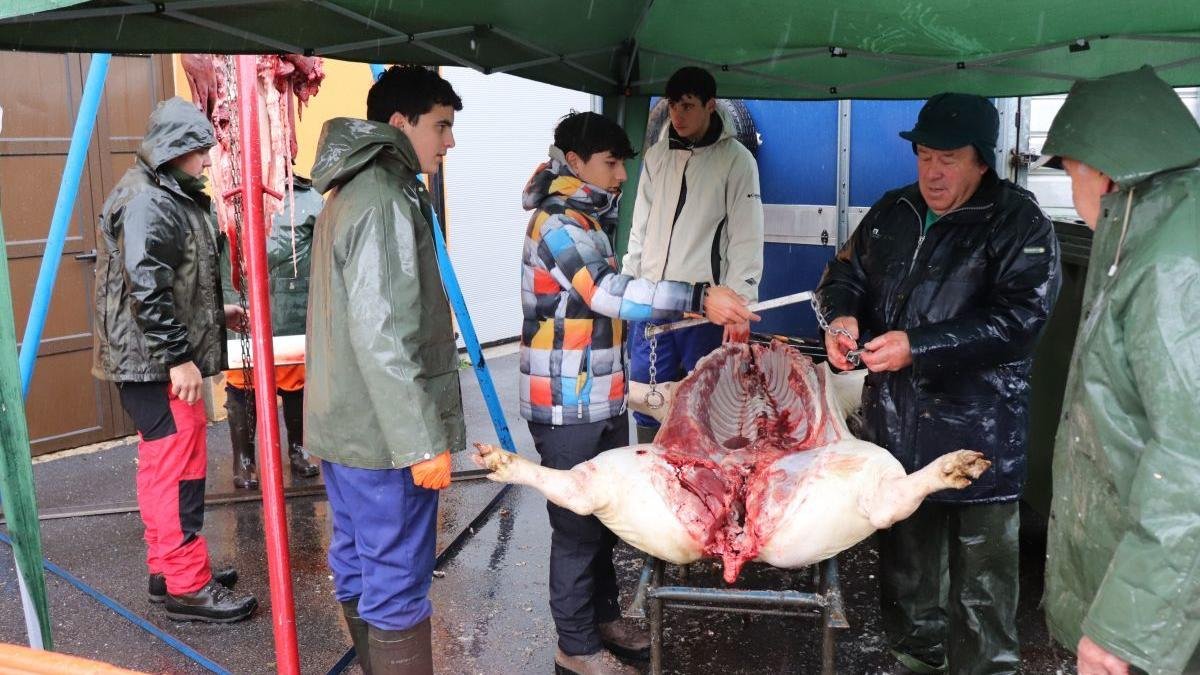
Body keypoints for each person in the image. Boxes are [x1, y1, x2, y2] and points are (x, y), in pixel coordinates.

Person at [815, 93, 1061, 674]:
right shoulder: (892, 211)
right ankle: (914, 662)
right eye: (924, 155)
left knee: (982, 585)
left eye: (948, 158)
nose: (932, 172)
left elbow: (1020, 321)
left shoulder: (1019, 221)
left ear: (982, 159)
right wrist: (843, 316)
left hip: (980, 432)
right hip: (897, 430)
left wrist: (917, 348)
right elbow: (843, 271)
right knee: (907, 573)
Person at [520, 111, 757, 675]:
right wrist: (697, 295)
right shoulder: (559, 223)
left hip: (599, 396)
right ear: (574, 162)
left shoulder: (588, 216)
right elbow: (605, 291)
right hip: (566, 404)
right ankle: (575, 648)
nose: (623, 175)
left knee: (602, 516)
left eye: (624, 162)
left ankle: (601, 620)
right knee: (576, 527)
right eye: (611, 162)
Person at [1038, 66, 1200, 675]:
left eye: (1070, 169)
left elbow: (1190, 462)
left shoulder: (1175, 263)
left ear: (1102, 169)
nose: (1073, 187)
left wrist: (1125, 632)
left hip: (1165, 618)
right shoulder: (1155, 227)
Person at [305, 65, 465, 674]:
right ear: (399, 124)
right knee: (395, 577)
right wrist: (421, 441)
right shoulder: (382, 197)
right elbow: (384, 334)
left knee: (358, 560)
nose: (448, 142)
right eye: (440, 126)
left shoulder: (348, 189)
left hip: (344, 427)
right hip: (384, 437)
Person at [92, 97, 257, 623]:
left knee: (168, 465)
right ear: (175, 149)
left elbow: (171, 279)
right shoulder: (150, 200)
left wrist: (218, 311)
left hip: (153, 360)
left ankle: (170, 568)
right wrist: (178, 359)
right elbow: (147, 286)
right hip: (156, 364)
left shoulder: (162, 192)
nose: (207, 161)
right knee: (176, 469)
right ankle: (188, 585)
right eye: (200, 151)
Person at [621, 66, 764, 443]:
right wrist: (627, 288)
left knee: (709, 405)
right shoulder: (655, 157)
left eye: (687, 106)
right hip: (650, 303)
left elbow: (746, 238)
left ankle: (705, 487)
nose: (677, 116)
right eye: (672, 106)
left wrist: (741, 304)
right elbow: (639, 227)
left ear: (711, 105)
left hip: (704, 310)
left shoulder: (737, 161)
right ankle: (652, 479)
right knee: (647, 402)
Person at [220, 174, 322, 489]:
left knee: (295, 378)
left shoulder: (309, 199)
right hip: (241, 306)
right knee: (242, 381)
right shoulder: (223, 198)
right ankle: (244, 459)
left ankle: (299, 449)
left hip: (292, 309)